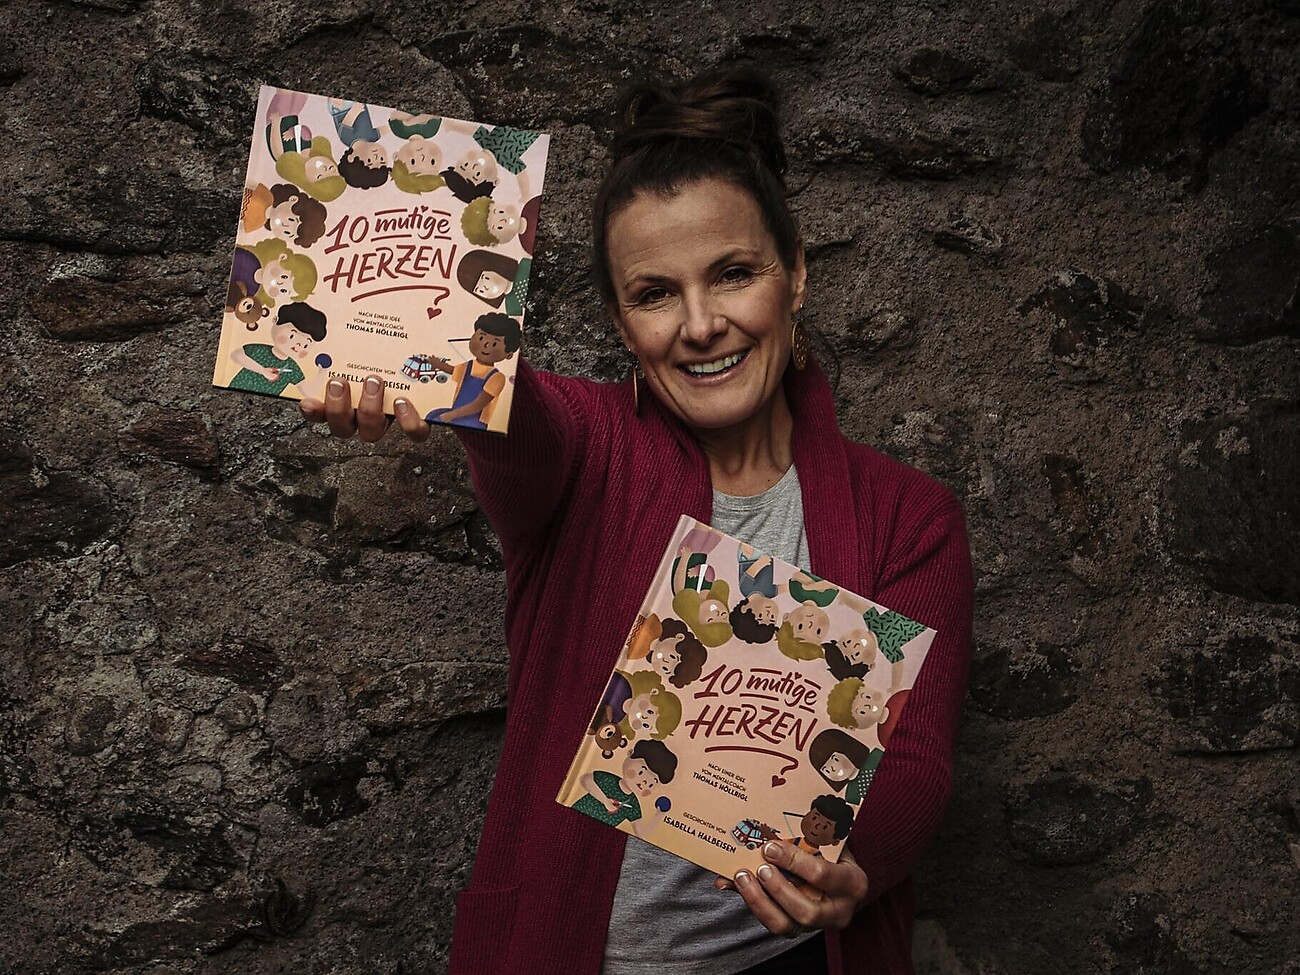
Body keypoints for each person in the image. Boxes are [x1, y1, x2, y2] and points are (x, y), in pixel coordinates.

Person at [301, 67, 973, 975]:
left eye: (733, 274)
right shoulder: (588, 448)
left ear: (796, 276)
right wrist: (417, 355)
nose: (700, 324)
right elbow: (516, 416)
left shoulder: (909, 518)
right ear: (621, 322)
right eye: (655, 293)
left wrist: (855, 864)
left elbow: (916, 761)